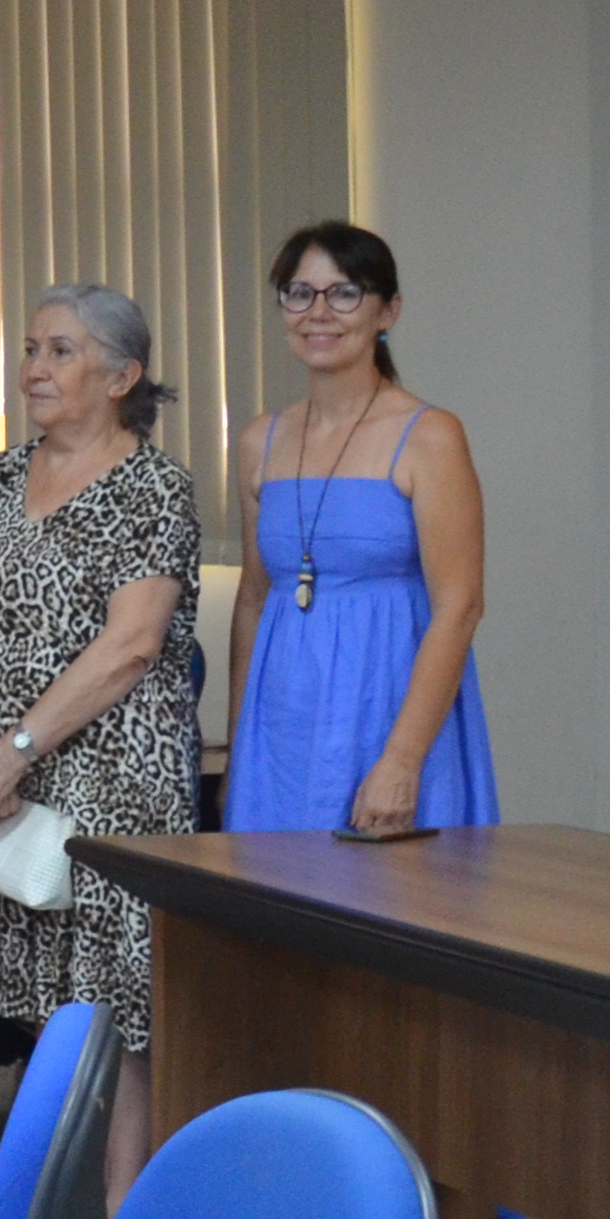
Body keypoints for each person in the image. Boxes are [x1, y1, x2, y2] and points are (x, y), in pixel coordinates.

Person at [0, 285, 205, 1201]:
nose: (33, 369)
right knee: (41, 1002)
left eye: (60, 351)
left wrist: (11, 749)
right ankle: (49, 1210)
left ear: (122, 375)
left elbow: (132, 645)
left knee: (116, 1009)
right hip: (7, 775)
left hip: (114, 777)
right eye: (30, 348)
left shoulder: (154, 484)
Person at [221, 222, 493, 840]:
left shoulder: (430, 434)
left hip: (387, 715)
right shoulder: (260, 439)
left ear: (387, 311)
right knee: (271, 921)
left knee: (395, 909)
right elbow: (254, 599)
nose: (318, 312)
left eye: (344, 293)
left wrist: (401, 762)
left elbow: (461, 607)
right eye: (300, 293)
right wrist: (242, 749)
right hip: (282, 728)